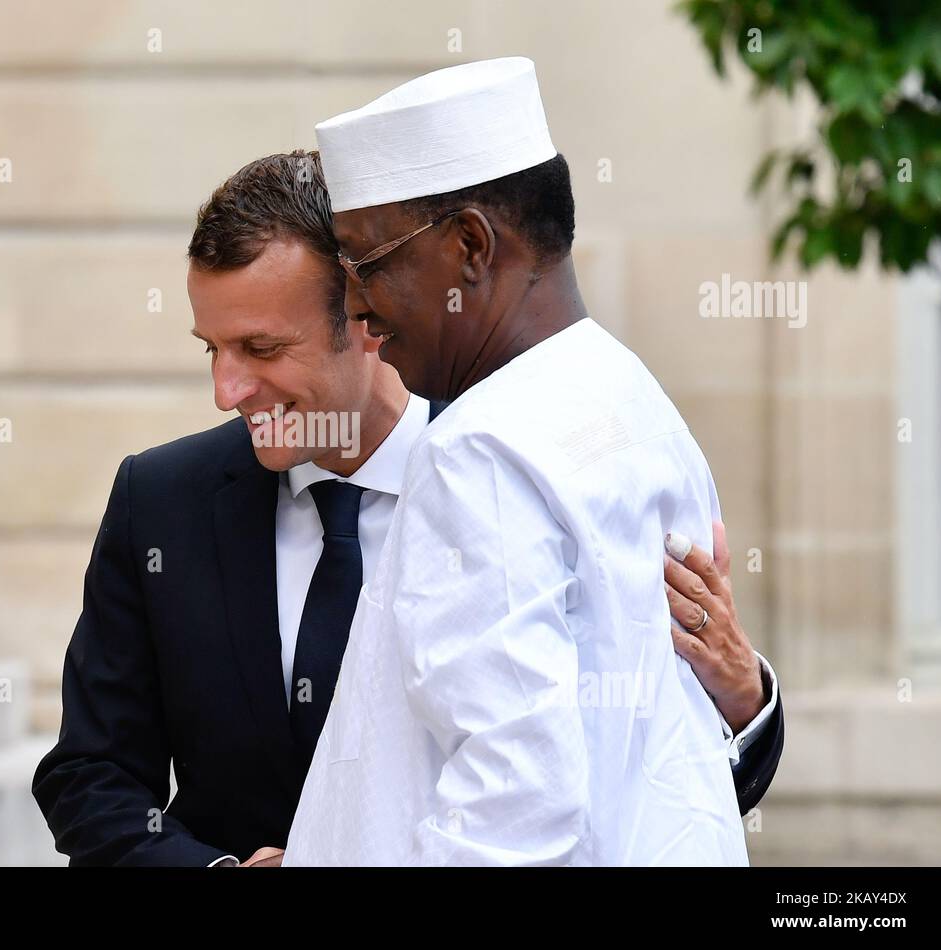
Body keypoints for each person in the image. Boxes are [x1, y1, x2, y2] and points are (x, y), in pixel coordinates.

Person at [32, 148, 782, 867]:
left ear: (367, 315)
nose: (227, 391)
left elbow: (628, 778)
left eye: (260, 349)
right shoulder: (160, 500)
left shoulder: (511, 472)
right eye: (212, 350)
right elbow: (88, 778)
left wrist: (746, 700)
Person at [284, 57, 756, 865]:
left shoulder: (478, 447)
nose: (356, 304)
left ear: (470, 246)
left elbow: (516, 807)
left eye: (366, 262)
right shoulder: (630, 395)